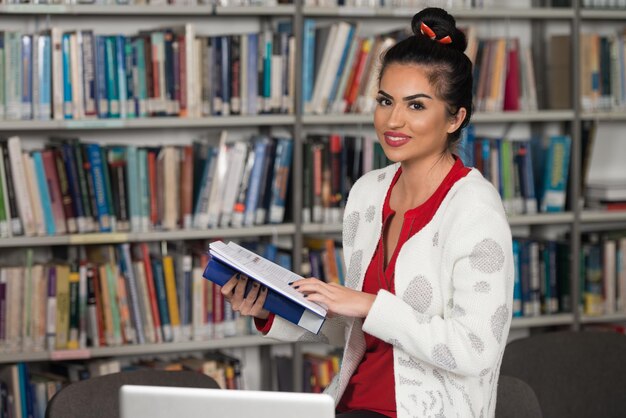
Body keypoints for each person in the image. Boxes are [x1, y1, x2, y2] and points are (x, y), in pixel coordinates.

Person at [217, 7, 514, 418]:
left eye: (416, 106)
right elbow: (358, 329)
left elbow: (475, 349)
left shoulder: (475, 210)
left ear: (455, 118)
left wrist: (368, 305)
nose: (393, 120)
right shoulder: (367, 195)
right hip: (350, 404)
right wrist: (272, 308)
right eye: (385, 100)